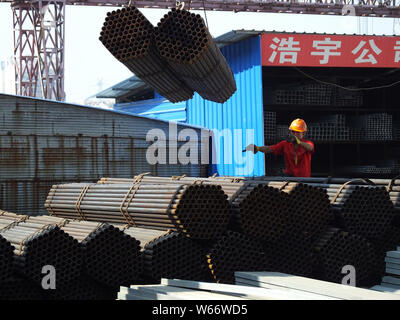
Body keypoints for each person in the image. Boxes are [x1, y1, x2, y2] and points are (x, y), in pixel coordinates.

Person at [246, 118, 314, 177]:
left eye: (298, 132)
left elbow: (310, 148)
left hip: (303, 179)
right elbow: (270, 149)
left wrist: (298, 142)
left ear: (304, 133)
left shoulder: (308, 143)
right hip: (290, 177)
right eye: (293, 132)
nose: (294, 134)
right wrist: (257, 148)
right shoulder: (285, 144)